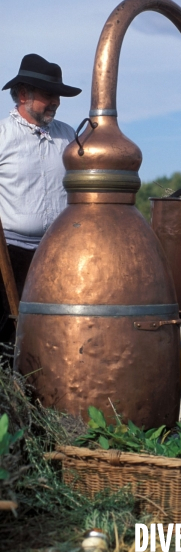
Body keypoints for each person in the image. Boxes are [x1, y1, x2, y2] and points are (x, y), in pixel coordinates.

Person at [0, 53, 81, 344]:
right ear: (23, 94)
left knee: (52, 334)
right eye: (49, 94)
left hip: (57, 253)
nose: (56, 101)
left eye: (58, 95)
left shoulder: (68, 136)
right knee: (6, 333)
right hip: (9, 254)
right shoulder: (3, 135)